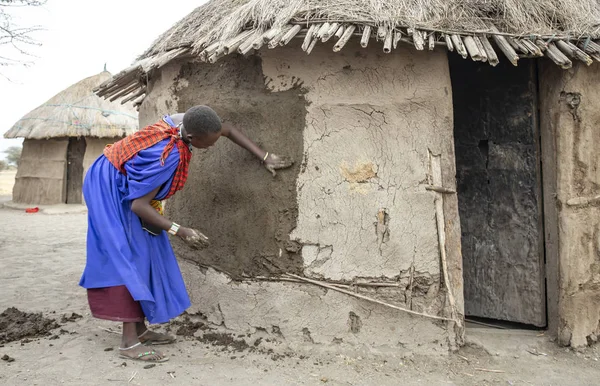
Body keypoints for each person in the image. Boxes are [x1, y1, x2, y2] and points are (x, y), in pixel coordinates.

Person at [79, 105, 293, 362]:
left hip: (119, 175)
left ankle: (140, 329)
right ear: (192, 138)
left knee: (147, 249)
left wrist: (264, 155)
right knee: (128, 253)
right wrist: (181, 231)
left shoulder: (188, 123)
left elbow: (227, 129)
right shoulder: (167, 157)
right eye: (209, 143)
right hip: (107, 185)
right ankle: (128, 342)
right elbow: (138, 205)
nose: (212, 146)